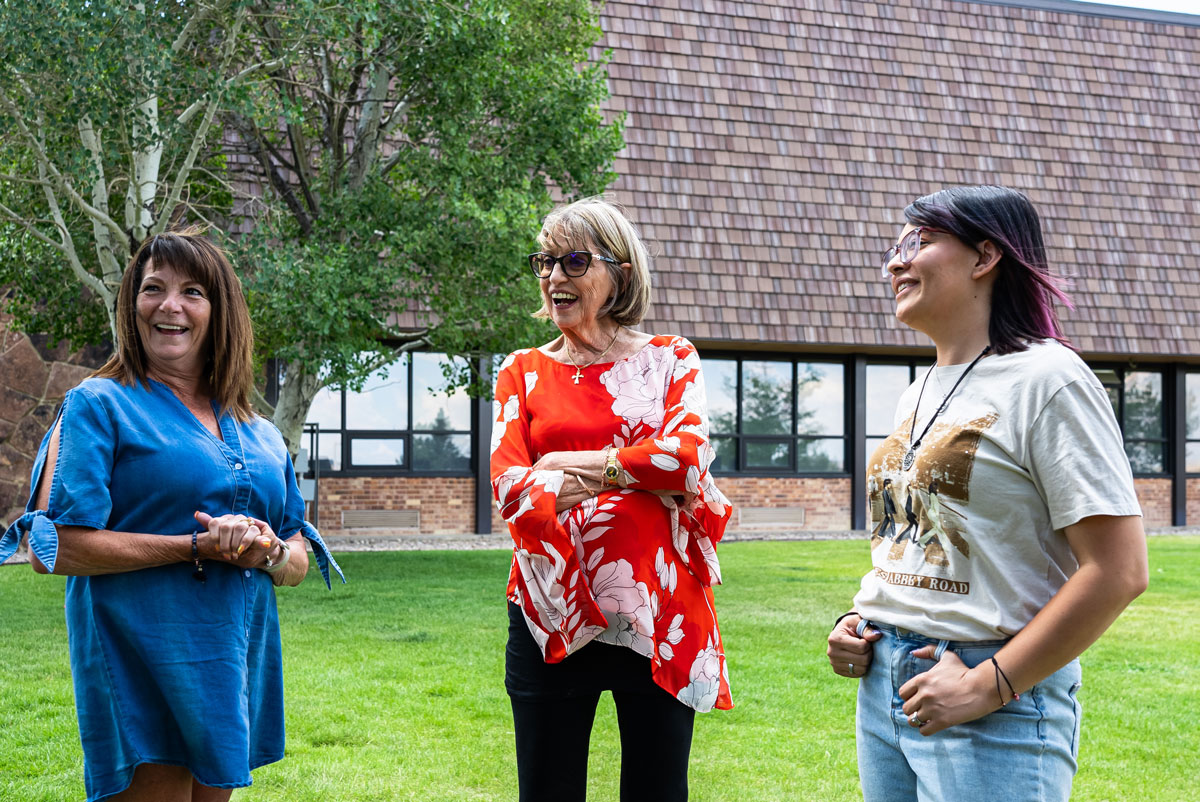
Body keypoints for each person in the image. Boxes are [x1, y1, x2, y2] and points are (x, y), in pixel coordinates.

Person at [826, 185, 1148, 801]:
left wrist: (988, 684)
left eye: (918, 242)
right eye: (896, 244)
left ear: (984, 257)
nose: (894, 261)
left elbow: (1119, 569)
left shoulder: (1049, 380)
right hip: (886, 688)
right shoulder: (919, 389)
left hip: (988, 700)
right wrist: (863, 619)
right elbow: (925, 536)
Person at [0, 229, 344, 802]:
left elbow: (296, 557)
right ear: (132, 306)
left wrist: (270, 552)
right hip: (140, 658)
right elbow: (51, 547)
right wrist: (194, 547)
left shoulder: (259, 432)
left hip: (229, 659)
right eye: (152, 288)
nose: (169, 305)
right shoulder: (98, 405)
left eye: (193, 292)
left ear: (222, 311)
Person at [491, 197, 733, 801]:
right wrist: (634, 473)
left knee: (656, 791)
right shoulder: (521, 372)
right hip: (552, 609)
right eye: (543, 261)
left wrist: (565, 463)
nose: (553, 277)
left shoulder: (670, 359)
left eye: (573, 260)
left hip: (658, 610)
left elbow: (684, 461)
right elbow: (510, 488)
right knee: (547, 791)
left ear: (618, 271)